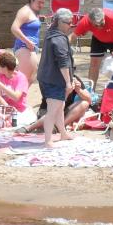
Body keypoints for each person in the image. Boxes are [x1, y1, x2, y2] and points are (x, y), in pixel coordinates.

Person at [37, 8, 76, 146]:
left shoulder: (51, 33)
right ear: (59, 22)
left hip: (47, 77)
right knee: (53, 110)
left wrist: (71, 78)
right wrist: (68, 82)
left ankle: (63, 133)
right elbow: (63, 62)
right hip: (54, 79)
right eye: (68, 23)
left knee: (60, 106)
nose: (70, 25)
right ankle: (48, 140)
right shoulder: (58, 39)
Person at [73, 7, 113, 86]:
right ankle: (91, 91)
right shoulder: (86, 21)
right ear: (90, 22)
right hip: (98, 39)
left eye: (102, 24)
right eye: (95, 26)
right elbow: (73, 36)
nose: (99, 27)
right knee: (94, 63)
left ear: (104, 17)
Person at [23, 75, 93, 133]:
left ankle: (60, 128)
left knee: (85, 103)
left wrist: (78, 90)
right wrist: (67, 91)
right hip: (48, 110)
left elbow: (89, 100)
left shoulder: (73, 78)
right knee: (52, 116)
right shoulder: (49, 79)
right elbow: (55, 103)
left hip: (65, 112)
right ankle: (29, 128)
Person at [11, 0, 46, 84]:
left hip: (30, 48)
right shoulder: (25, 11)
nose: (41, 5)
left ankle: (15, 98)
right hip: (24, 47)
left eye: (43, 3)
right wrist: (27, 42)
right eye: (39, 2)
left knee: (30, 78)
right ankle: (10, 98)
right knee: (23, 81)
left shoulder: (33, 12)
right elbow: (14, 28)